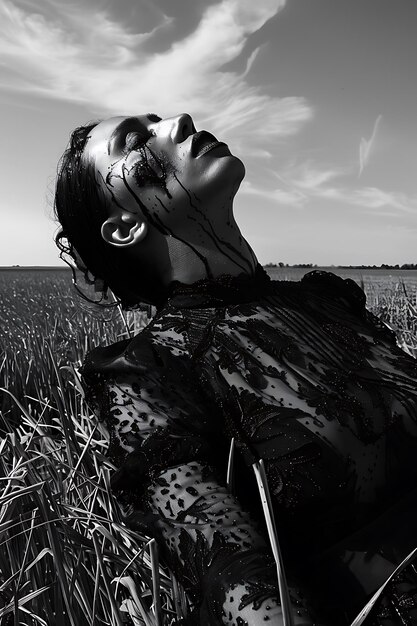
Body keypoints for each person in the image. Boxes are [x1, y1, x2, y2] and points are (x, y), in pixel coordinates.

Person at [54, 113, 417, 625]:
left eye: (161, 120)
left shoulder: (329, 302)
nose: (179, 120)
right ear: (124, 227)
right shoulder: (149, 373)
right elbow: (235, 581)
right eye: (136, 139)